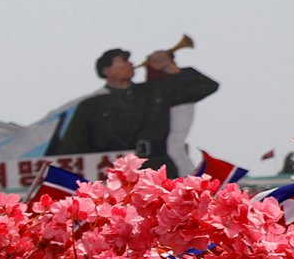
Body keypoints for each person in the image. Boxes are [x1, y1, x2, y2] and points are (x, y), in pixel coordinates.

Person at [45, 44, 218, 172]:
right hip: (111, 171)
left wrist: (169, 67)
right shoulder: (91, 105)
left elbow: (207, 86)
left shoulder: (154, 91)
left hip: (156, 165)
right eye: (123, 61)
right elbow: (71, 150)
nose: (131, 64)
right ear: (107, 70)